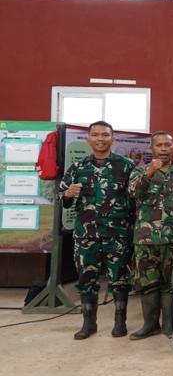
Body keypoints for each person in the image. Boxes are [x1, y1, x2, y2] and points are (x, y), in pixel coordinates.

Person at [59, 121, 136, 340]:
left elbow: (135, 199)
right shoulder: (78, 167)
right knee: (86, 279)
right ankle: (88, 323)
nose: (100, 138)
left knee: (119, 279)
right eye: (95, 135)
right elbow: (62, 198)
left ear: (113, 139)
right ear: (88, 139)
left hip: (117, 234)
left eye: (105, 135)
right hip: (86, 235)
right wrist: (68, 195)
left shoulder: (126, 165)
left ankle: (120, 322)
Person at [127, 131, 173, 339]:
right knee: (147, 282)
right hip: (146, 239)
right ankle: (149, 324)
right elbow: (133, 193)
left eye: (167, 145)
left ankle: (169, 325)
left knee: (171, 282)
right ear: (151, 148)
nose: (163, 149)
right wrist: (149, 173)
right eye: (159, 145)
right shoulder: (139, 171)